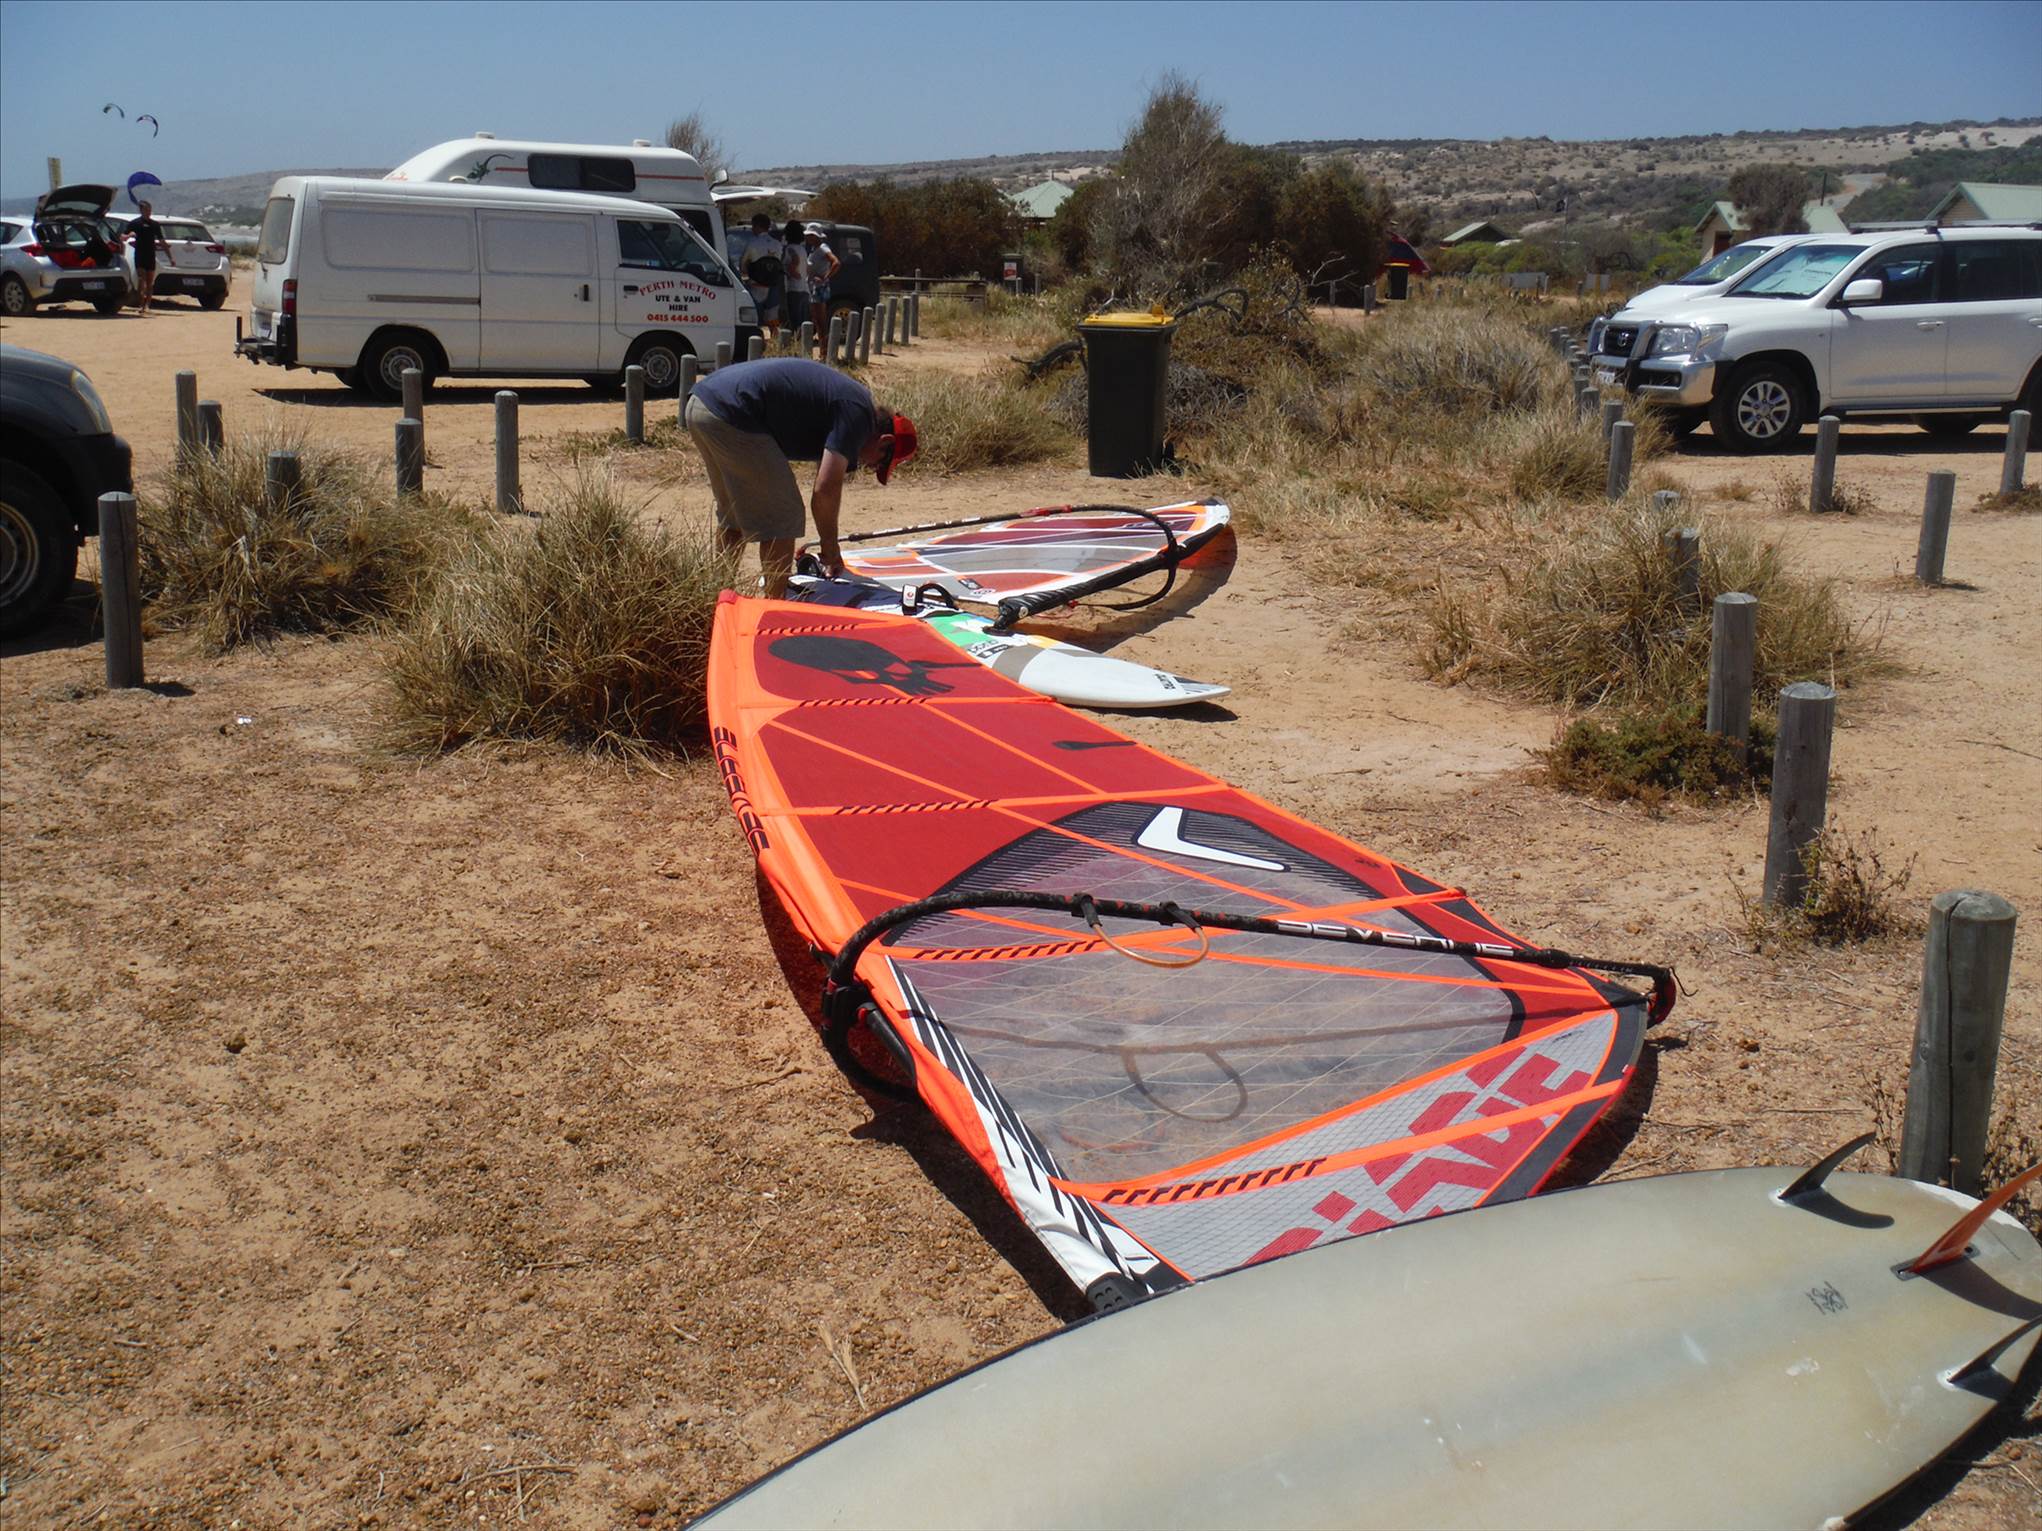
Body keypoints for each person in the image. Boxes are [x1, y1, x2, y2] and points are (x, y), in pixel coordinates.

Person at [683, 357, 917, 598]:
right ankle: (775, 606)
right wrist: (830, 547)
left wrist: (828, 543)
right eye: (879, 463)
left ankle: (715, 596)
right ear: (884, 442)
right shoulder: (858, 415)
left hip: (703, 403)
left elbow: (823, 482)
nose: (870, 467)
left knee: (733, 514)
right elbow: (825, 490)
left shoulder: (850, 407)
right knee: (785, 516)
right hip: (735, 411)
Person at [740, 212, 784, 341]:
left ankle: (758, 347)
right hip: (772, 286)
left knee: (755, 322)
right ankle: (776, 346)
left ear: (757, 226)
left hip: (755, 286)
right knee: (773, 321)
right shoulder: (777, 244)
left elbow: (743, 264)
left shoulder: (753, 243)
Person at [125, 200, 172, 316]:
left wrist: (170, 257)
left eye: (150, 210)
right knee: (141, 279)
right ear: (141, 210)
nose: (148, 212)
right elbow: (122, 236)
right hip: (140, 254)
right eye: (146, 210)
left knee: (150, 282)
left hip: (150, 255)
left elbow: (162, 241)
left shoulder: (155, 224)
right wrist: (129, 235)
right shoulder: (135, 223)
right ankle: (141, 304)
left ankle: (147, 305)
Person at [803, 224, 839, 339]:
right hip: (813, 286)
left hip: (819, 287)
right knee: (816, 318)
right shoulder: (814, 249)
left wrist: (825, 277)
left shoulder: (823, 248)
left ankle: (824, 347)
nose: (808, 238)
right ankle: (822, 345)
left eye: (810, 235)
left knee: (820, 319)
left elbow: (836, 262)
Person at [780, 218, 810, 343]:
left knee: (793, 320)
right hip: (804, 289)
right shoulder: (802, 249)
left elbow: (793, 262)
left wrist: (790, 272)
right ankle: (802, 345)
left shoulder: (788, 249)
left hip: (793, 289)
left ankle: (794, 345)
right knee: (802, 321)